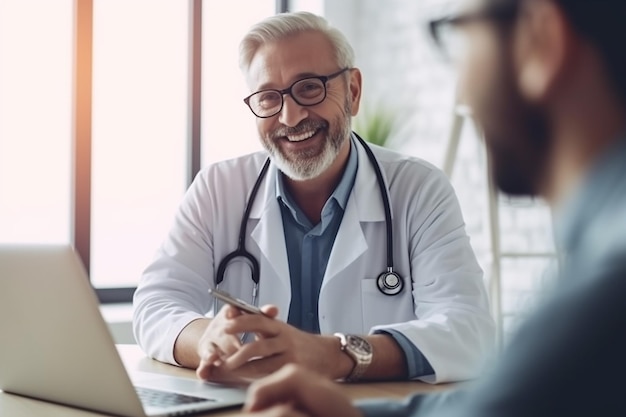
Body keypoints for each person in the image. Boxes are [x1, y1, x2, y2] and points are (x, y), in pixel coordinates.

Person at [238, 0, 626, 415]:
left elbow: (479, 361)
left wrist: (336, 356)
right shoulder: (600, 250)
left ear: (542, 40)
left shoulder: (607, 289)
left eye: (460, 33)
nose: (462, 88)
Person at [132, 11, 495, 385]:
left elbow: (467, 330)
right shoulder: (218, 188)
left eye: (309, 88)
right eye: (269, 97)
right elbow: (155, 304)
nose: (290, 117)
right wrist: (207, 339)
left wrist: (335, 356)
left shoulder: (418, 189)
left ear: (352, 91)